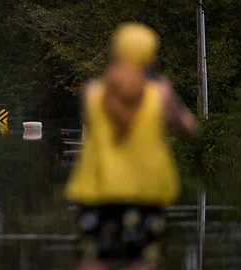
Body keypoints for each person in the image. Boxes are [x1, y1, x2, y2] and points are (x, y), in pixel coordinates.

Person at [64, 22, 197, 270]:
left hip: (98, 190)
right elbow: (189, 128)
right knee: (141, 260)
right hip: (145, 192)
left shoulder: (92, 93)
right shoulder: (161, 94)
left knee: (94, 259)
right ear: (149, 55)